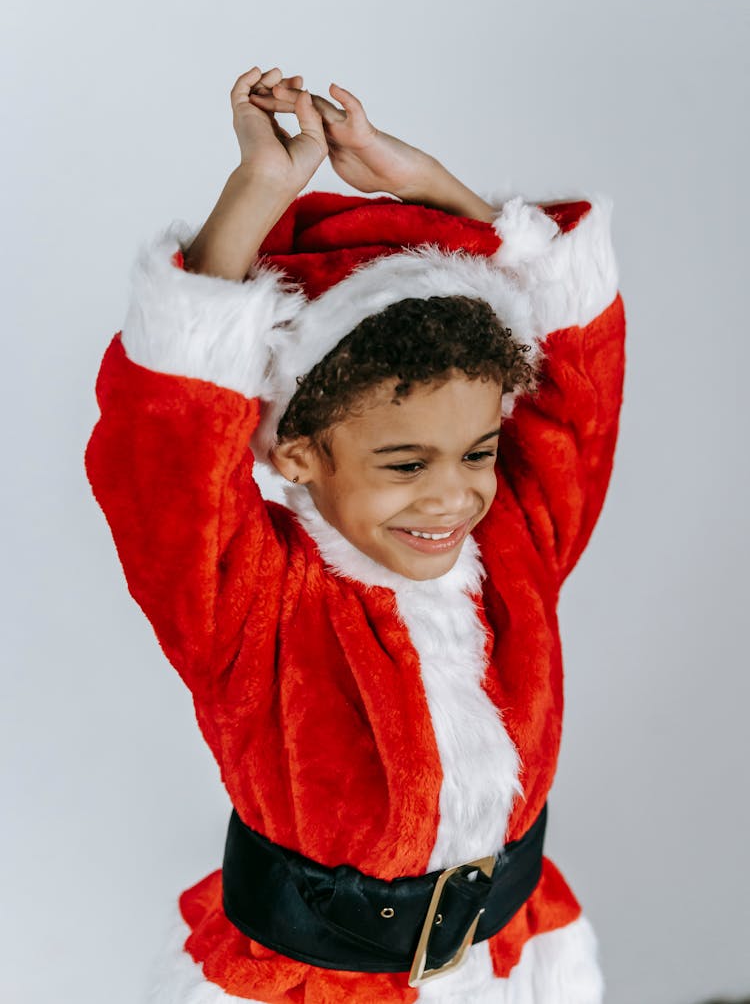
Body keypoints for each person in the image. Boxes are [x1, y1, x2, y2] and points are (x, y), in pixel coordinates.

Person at [85, 65, 626, 1003]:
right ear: (297, 453)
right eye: (406, 464)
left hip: (512, 961)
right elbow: (165, 452)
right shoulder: (249, 602)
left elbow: (578, 376)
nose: (453, 498)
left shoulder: (516, 554)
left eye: (479, 451)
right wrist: (256, 192)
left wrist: (432, 193)